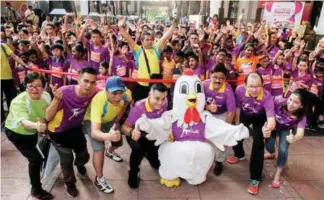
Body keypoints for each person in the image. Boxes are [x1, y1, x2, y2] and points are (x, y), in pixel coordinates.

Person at [45, 67, 98, 197]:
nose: (88, 85)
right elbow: (47, 116)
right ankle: (70, 184)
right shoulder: (64, 92)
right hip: (58, 131)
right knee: (66, 159)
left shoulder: (93, 92)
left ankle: (79, 163)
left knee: (84, 155)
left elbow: (108, 93)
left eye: (92, 82)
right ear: (78, 79)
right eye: (85, 81)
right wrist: (56, 100)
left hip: (74, 128)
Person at [5, 72, 53, 200]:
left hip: (33, 132)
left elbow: (49, 112)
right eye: (30, 86)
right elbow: (24, 123)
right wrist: (37, 126)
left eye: (38, 86)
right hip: (16, 133)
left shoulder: (47, 96)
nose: (35, 89)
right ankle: (36, 190)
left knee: (38, 154)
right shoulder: (18, 101)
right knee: (35, 159)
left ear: (44, 86)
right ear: (25, 86)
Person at [227, 72, 276, 195]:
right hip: (245, 114)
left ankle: (255, 178)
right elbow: (238, 107)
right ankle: (239, 154)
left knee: (258, 144)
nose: (254, 89)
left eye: (258, 86)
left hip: (260, 118)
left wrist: (268, 128)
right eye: (251, 86)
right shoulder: (239, 90)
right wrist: (238, 124)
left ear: (263, 85)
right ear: (245, 85)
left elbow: (271, 119)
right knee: (237, 134)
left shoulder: (267, 96)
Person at [83, 76, 131, 193]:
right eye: (114, 93)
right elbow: (95, 132)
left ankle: (109, 151)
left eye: (120, 93)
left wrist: (118, 118)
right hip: (92, 121)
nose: (118, 97)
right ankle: (99, 179)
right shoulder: (98, 100)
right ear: (106, 91)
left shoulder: (127, 94)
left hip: (110, 119)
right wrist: (108, 136)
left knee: (118, 142)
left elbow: (127, 102)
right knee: (99, 148)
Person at [121, 83, 168, 188]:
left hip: (152, 134)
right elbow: (124, 127)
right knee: (138, 150)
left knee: (156, 162)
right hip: (136, 134)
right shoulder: (139, 107)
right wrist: (132, 132)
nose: (160, 103)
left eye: (163, 98)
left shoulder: (165, 103)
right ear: (149, 95)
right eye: (157, 98)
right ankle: (133, 172)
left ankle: (150, 155)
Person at [118, 17, 176, 102]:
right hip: (142, 85)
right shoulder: (138, 50)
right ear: (141, 41)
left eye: (151, 39)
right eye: (147, 40)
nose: (150, 41)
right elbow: (128, 38)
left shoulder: (156, 49)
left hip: (155, 85)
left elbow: (165, 37)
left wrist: (173, 26)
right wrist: (121, 27)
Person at [264, 89, 308, 188]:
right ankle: (271, 153)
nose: (290, 103)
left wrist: (294, 138)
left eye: (296, 102)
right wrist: (267, 126)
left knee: (283, 150)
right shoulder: (279, 102)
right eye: (290, 99)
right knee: (268, 145)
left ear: (301, 105)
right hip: (273, 126)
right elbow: (268, 113)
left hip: (286, 129)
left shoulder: (302, 116)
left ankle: (278, 174)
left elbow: (300, 133)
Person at [203, 63, 236, 176]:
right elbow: (196, 103)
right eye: (215, 77)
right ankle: (205, 159)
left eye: (221, 78)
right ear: (210, 75)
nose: (218, 80)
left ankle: (219, 161)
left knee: (221, 139)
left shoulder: (228, 91)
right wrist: (207, 107)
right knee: (204, 138)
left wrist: (226, 127)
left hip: (222, 115)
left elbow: (232, 111)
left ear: (225, 79)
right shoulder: (204, 85)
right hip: (207, 113)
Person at [1, 43, 29, 123]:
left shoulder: (2, 46)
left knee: (11, 98)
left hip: (7, 77)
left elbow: (15, 57)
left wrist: (25, 65)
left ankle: (12, 117)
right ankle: (2, 120)